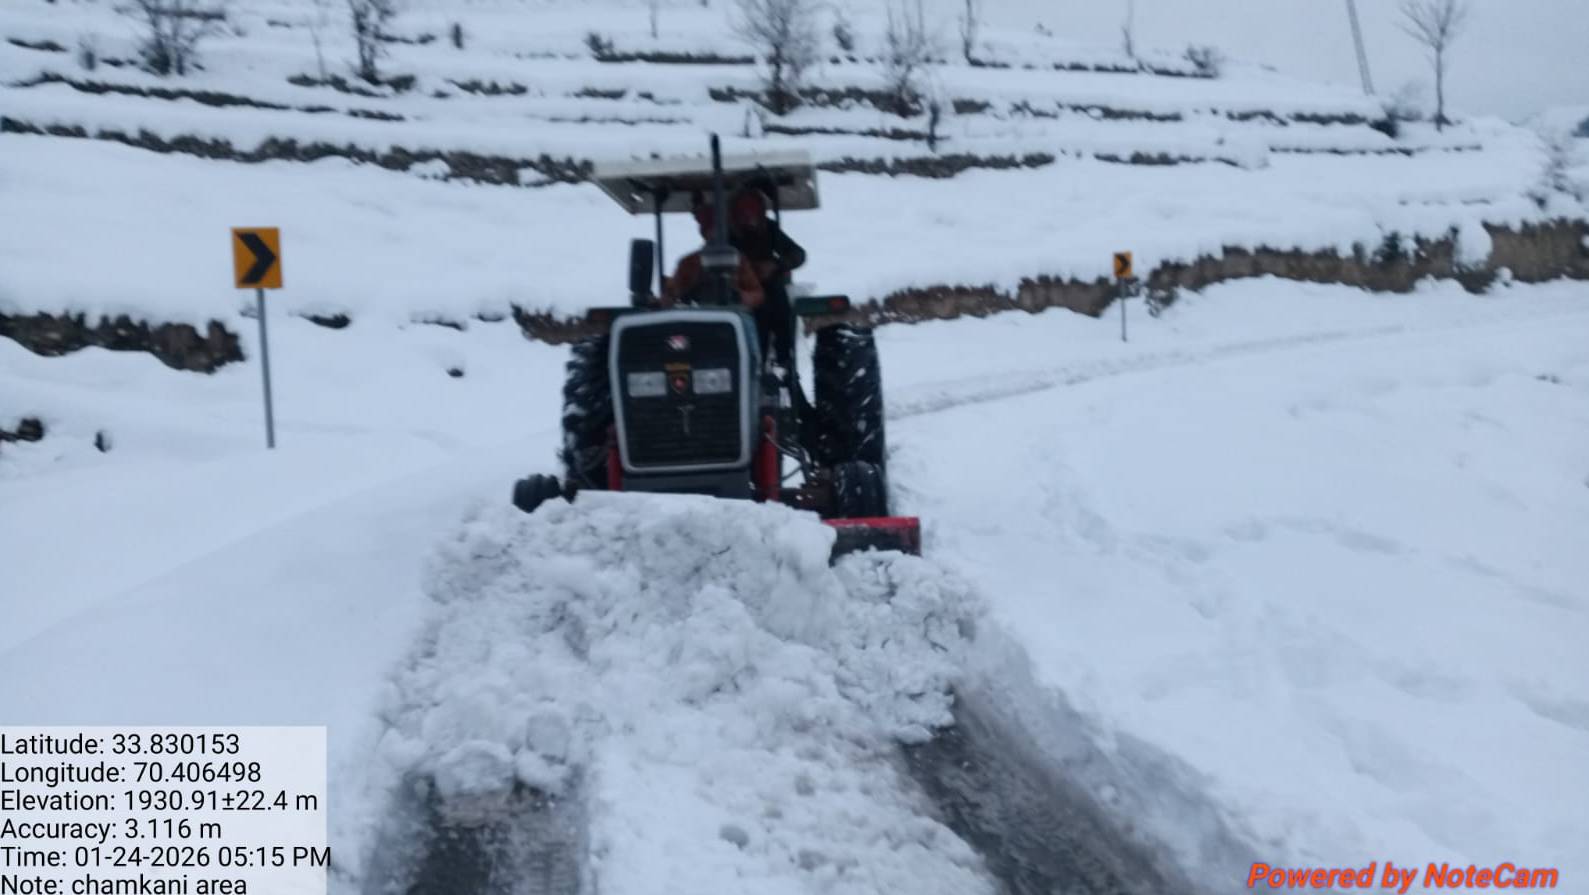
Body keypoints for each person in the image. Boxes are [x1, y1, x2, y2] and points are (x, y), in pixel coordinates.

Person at [728, 188, 806, 367]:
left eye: (752, 211)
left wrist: (775, 265)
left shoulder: (770, 230)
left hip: (769, 288)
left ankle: (784, 363)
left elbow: (798, 254)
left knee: (779, 311)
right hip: (737, 289)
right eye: (743, 212)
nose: (748, 218)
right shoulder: (727, 233)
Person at [661, 201, 764, 309]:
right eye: (710, 228)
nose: (714, 233)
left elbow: (757, 294)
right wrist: (671, 297)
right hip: (700, 314)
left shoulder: (738, 260)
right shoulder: (688, 262)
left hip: (732, 312)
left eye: (719, 228)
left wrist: (739, 297)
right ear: (703, 231)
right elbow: (671, 294)